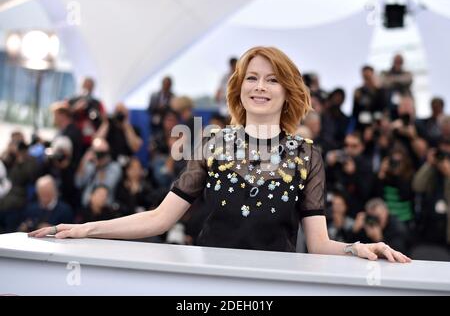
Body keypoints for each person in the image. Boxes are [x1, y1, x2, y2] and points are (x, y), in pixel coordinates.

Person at [29, 46, 410, 263]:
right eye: (252, 77)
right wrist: (85, 229)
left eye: (272, 79)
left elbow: (319, 243)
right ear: (239, 87)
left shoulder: (306, 155)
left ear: (287, 91)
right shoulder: (212, 144)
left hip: (276, 289)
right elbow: (161, 219)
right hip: (208, 286)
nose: (260, 87)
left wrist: (355, 247)